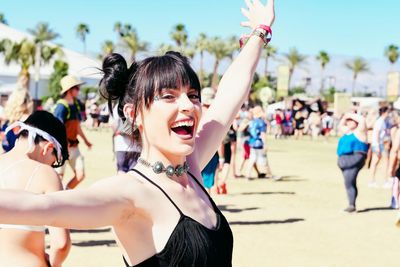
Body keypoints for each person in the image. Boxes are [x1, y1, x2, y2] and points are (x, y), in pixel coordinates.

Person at [0, 1, 275, 266]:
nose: (188, 106)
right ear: (133, 113)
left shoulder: (190, 170)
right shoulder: (129, 193)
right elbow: (41, 206)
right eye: (168, 96)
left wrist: (260, 33)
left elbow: (228, 98)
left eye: (192, 95)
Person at [0, 111, 70, 267]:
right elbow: (61, 244)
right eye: (54, 161)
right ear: (48, 147)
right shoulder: (46, 174)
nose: (51, 166)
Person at [53, 75, 92, 189]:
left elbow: (77, 126)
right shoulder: (61, 107)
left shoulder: (76, 104)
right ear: (69, 90)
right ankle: (55, 199)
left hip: (74, 146)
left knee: (80, 175)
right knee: (58, 177)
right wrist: (64, 143)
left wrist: (86, 141)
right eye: (77, 88)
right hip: (62, 148)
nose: (78, 91)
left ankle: (64, 193)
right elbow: (58, 127)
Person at [337, 113, 369, 213]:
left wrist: (350, 114)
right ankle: (351, 203)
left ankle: (351, 205)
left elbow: (363, 120)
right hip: (344, 159)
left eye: (352, 120)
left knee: (349, 181)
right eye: (348, 121)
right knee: (349, 182)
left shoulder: (359, 132)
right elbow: (340, 126)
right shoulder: (347, 132)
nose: (349, 122)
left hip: (355, 158)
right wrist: (345, 117)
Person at [0, 87, 33, 152]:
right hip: (21, 158)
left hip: (6, 158)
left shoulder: (5, 119)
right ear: (27, 103)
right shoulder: (28, 121)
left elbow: (4, 145)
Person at [369, 106, 391, 187]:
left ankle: (372, 181)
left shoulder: (383, 121)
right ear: (384, 113)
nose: (389, 114)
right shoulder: (380, 121)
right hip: (379, 144)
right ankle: (385, 181)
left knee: (376, 163)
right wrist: (377, 146)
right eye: (387, 112)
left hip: (379, 144)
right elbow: (377, 134)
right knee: (384, 163)